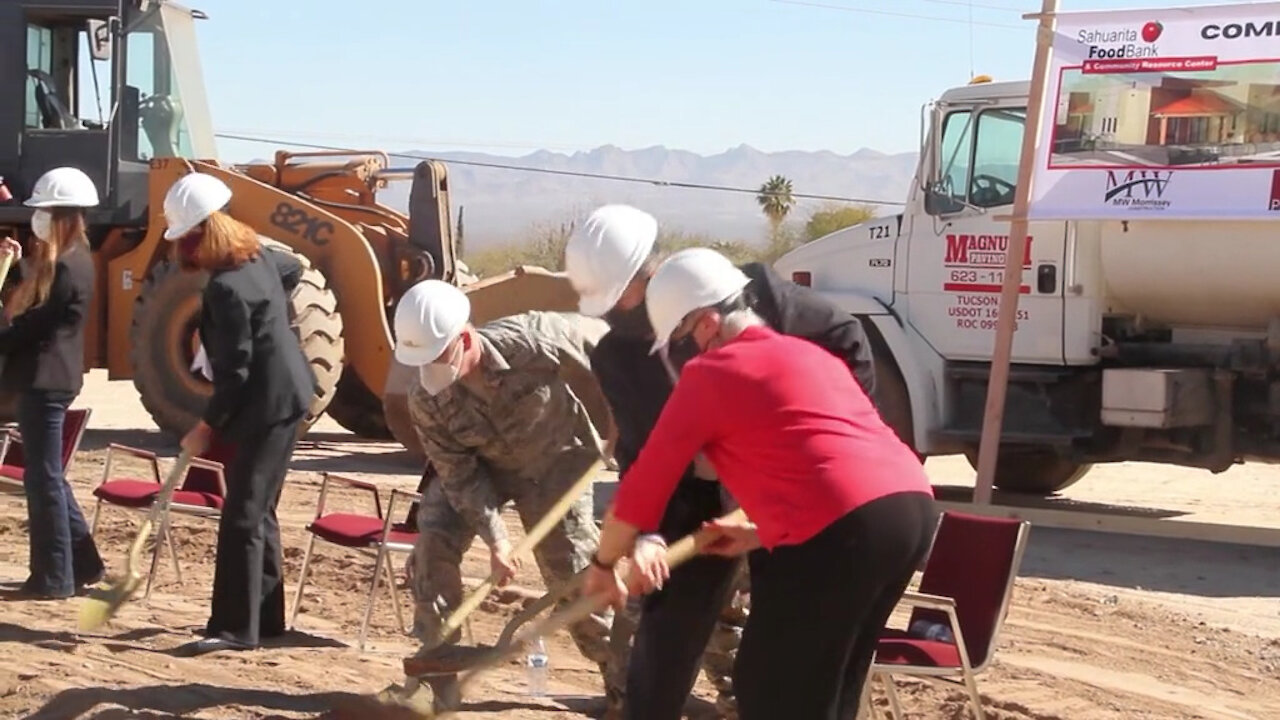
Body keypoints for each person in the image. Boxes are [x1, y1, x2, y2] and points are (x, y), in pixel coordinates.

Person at [582, 247, 937, 720]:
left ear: (707, 322)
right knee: (831, 684)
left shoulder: (710, 374)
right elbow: (827, 454)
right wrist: (762, 532)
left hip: (843, 528)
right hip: (908, 513)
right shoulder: (806, 353)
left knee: (769, 689)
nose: (681, 351)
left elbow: (640, 492)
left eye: (682, 336)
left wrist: (604, 563)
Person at [388, 279, 629, 716]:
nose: (432, 374)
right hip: (485, 469)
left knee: (575, 571)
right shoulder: (426, 395)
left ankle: (624, 682)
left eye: (439, 358)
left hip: (556, 465)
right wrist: (497, 539)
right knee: (434, 540)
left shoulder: (536, 340)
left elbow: (613, 355)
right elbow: (458, 474)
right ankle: (433, 670)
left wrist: (619, 422)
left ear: (465, 338)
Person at [165, 173, 316, 655]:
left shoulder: (226, 289)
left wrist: (206, 428)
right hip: (287, 396)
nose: (180, 252)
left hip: (265, 404)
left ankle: (234, 630)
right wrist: (271, 318)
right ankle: (264, 620)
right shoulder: (261, 259)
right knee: (259, 511)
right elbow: (292, 269)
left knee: (243, 516)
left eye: (183, 240)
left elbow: (235, 373)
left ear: (198, 236)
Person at [0, 167, 104, 600]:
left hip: (43, 380)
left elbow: (30, 326)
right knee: (51, 478)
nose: (36, 218)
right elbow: (30, 289)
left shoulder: (65, 267)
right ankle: (83, 564)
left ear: (58, 215)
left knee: (42, 480)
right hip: (53, 377)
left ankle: (53, 577)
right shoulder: (72, 260)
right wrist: (8, 263)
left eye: (42, 210)